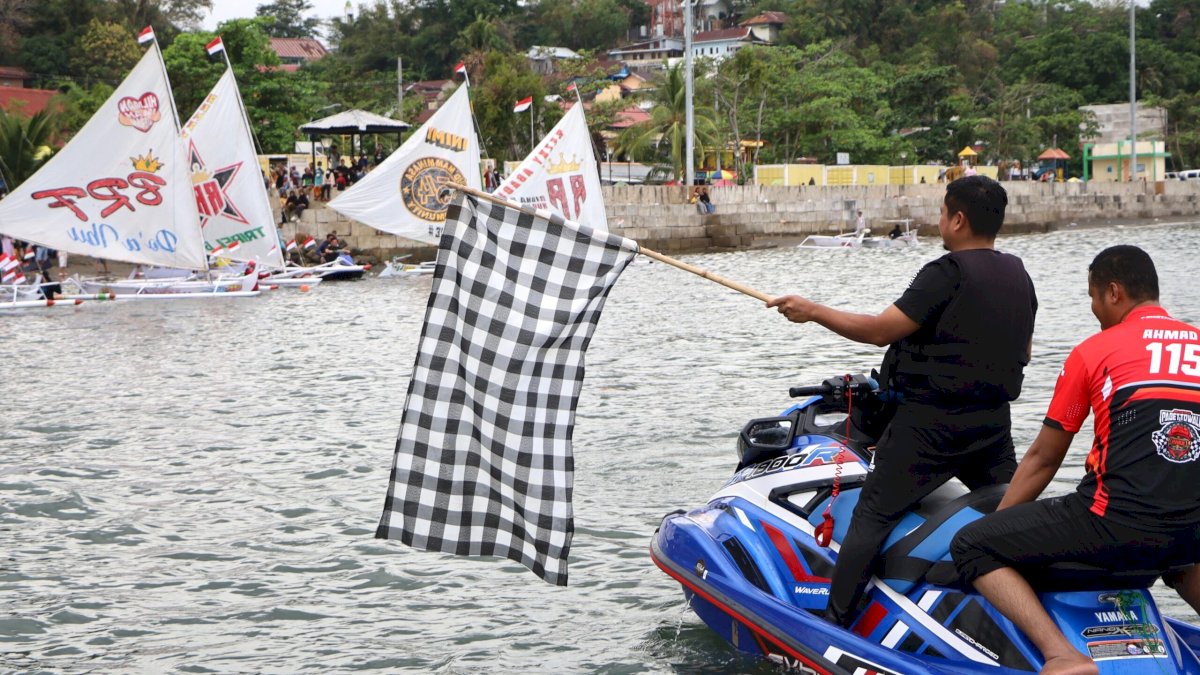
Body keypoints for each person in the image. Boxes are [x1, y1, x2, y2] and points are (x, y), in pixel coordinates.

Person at [767, 175, 1038, 627]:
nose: (939, 222)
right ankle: (1041, 606)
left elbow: (879, 332)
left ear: (958, 218)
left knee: (872, 514)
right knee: (1014, 515)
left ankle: (837, 623)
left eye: (941, 213)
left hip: (930, 427)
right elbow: (1024, 352)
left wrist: (812, 311)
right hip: (991, 425)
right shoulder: (1018, 273)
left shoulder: (945, 272)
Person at [951, 245, 1200, 675]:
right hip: (1189, 530)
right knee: (1180, 551)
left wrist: (998, 526)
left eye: (1093, 297)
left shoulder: (1095, 351)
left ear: (1115, 292)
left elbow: (1045, 459)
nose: (1092, 309)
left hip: (1113, 525)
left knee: (971, 544)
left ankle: (1061, 655)